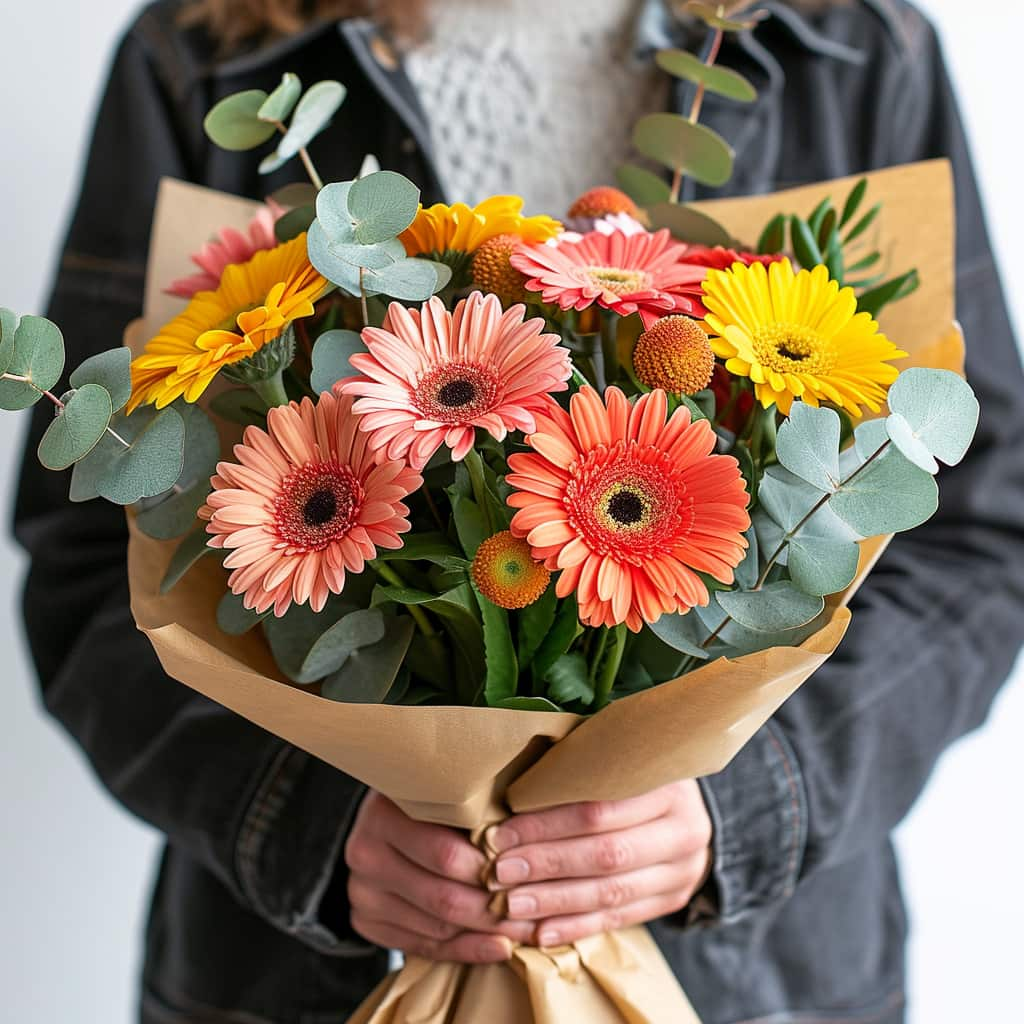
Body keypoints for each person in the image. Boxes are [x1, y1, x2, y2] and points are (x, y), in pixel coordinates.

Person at [13, 0, 1023, 1021]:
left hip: (766, 982)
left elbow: (987, 528)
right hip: (301, 982)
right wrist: (306, 825)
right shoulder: (201, 52)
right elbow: (91, 557)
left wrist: (752, 799)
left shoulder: (853, 46)